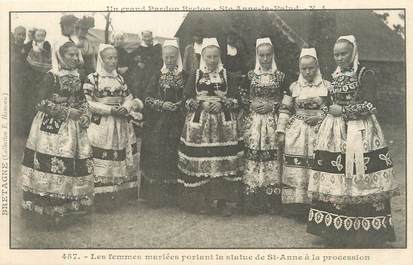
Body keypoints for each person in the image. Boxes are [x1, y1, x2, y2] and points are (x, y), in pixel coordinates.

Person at [306, 35, 399, 247]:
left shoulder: (365, 74)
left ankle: (365, 233)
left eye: (343, 53)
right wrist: (324, 110)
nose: (339, 58)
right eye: (336, 54)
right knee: (337, 176)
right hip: (335, 133)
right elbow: (329, 102)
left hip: (361, 131)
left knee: (360, 174)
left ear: (353, 52)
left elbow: (370, 104)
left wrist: (344, 111)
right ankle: (336, 231)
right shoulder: (335, 76)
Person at [20, 41, 93, 225]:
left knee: (71, 164)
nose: (76, 58)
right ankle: (45, 209)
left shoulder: (78, 75)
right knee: (51, 162)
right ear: (60, 56)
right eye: (71, 55)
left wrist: (85, 114)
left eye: (77, 55)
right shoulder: (51, 77)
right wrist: (66, 112)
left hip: (73, 128)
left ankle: (66, 207)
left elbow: (82, 99)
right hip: (51, 128)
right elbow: (40, 102)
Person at [177, 38, 243, 217]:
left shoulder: (227, 75)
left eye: (215, 57)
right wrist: (201, 105)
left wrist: (223, 104)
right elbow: (186, 98)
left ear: (219, 56)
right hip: (200, 124)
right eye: (209, 57)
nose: (212, 60)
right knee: (201, 162)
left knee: (222, 162)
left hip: (223, 125)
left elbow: (238, 99)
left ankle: (223, 202)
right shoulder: (196, 74)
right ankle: (201, 202)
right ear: (203, 56)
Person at [83, 44, 143, 211]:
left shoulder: (119, 79)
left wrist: (126, 106)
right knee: (102, 156)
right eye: (109, 58)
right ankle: (101, 196)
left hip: (120, 123)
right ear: (102, 59)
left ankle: (118, 193)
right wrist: (109, 110)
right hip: (103, 123)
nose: (113, 61)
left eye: (115, 57)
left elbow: (129, 97)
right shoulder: (92, 78)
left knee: (120, 155)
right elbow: (87, 101)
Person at [276, 48, 330, 220]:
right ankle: (297, 206)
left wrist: (320, 116)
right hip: (297, 132)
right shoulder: (293, 87)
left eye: (311, 68)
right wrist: (281, 130)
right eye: (304, 68)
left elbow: (332, 108)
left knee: (315, 164)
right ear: (299, 69)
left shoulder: (327, 86)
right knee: (297, 168)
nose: (307, 72)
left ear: (317, 67)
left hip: (319, 129)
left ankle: (316, 204)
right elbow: (285, 109)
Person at [240, 37, 289, 215]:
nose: (265, 59)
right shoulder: (250, 75)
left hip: (272, 121)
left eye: (268, 55)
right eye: (262, 55)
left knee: (272, 157)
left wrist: (273, 106)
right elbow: (242, 96)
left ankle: (272, 200)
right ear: (257, 56)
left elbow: (287, 99)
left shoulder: (280, 76)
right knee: (253, 155)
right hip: (254, 122)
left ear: (273, 55)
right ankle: (253, 199)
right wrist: (250, 105)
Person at [140, 40, 186, 208]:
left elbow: (189, 96)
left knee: (176, 155)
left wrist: (179, 104)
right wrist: (162, 104)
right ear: (162, 57)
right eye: (166, 57)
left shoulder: (185, 75)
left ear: (177, 57)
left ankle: (175, 197)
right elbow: (147, 97)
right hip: (159, 123)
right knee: (158, 155)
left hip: (179, 121)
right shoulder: (157, 75)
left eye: (172, 57)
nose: (170, 60)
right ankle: (156, 197)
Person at [11, 26, 30, 136]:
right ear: (14, 34)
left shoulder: (26, 47)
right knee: (15, 104)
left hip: (24, 80)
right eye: (19, 34)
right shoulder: (10, 47)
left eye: (24, 34)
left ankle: (22, 132)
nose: (22, 37)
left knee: (24, 104)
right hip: (14, 80)